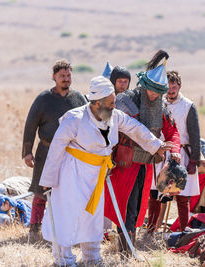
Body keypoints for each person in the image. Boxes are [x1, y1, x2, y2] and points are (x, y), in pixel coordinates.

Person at [39, 76, 174, 266]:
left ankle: (92, 257)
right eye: (110, 103)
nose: (113, 106)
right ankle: (64, 259)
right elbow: (56, 148)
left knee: (92, 217)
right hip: (72, 173)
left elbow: (135, 128)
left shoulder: (114, 116)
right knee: (68, 215)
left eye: (114, 102)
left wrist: (156, 145)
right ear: (96, 103)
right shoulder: (74, 118)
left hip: (97, 173)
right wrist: (49, 179)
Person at [103, 50, 181, 253]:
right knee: (124, 205)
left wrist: (175, 150)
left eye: (158, 92)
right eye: (151, 91)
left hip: (145, 164)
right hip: (124, 161)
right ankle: (124, 250)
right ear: (144, 86)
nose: (154, 95)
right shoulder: (125, 101)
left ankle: (130, 247)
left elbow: (172, 131)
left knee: (137, 207)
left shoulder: (160, 106)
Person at [22, 59, 87, 242]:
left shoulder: (79, 99)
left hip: (71, 153)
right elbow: (30, 126)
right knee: (41, 190)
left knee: (69, 192)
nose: (66, 79)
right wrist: (27, 152)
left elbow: (87, 124)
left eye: (68, 76)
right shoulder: (43, 99)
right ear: (54, 77)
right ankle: (35, 228)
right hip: (47, 151)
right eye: (62, 76)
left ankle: (66, 229)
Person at [164, 70, 201, 232]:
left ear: (179, 86)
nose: (171, 90)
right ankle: (152, 230)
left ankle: (183, 230)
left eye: (174, 86)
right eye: (168, 87)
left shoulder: (188, 106)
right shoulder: (159, 103)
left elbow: (195, 135)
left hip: (183, 155)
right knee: (159, 193)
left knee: (182, 195)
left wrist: (193, 161)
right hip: (163, 154)